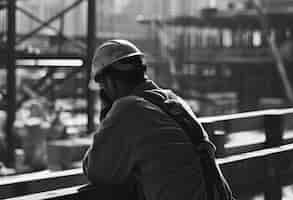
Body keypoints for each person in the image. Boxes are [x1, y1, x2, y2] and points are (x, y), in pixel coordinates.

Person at [82, 39, 234, 200]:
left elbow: (97, 170)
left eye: (103, 87)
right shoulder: (173, 100)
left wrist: (107, 116)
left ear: (110, 82)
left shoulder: (127, 108)